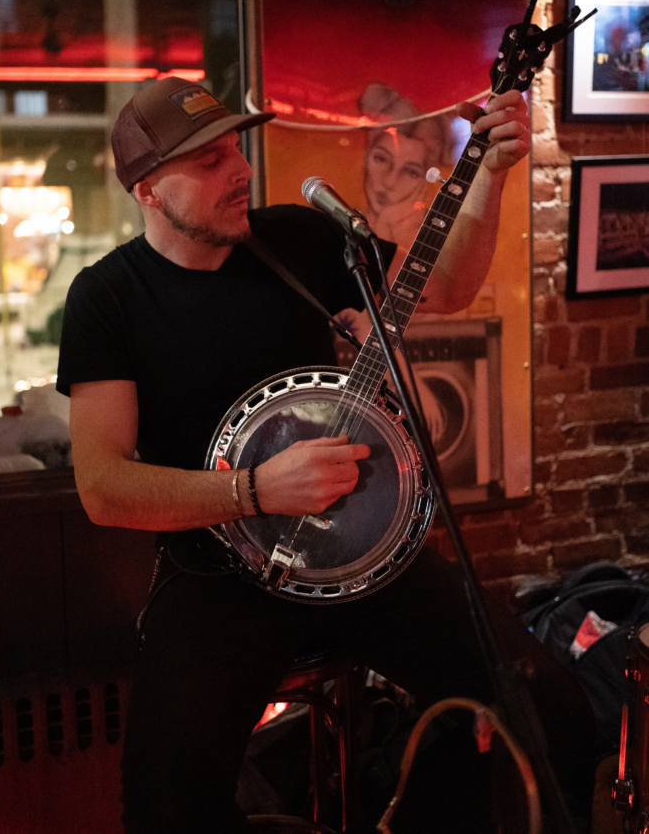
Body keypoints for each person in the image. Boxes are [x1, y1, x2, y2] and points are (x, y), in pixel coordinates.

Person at [57, 77, 593, 834]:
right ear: (147, 189)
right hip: (218, 577)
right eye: (209, 161)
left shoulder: (297, 239)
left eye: (235, 148)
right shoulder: (108, 298)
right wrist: (254, 490)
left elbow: (444, 286)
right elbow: (104, 487)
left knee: (550, 712)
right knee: (164, 808)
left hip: (362, 554)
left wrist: (492, 175)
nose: (240, 170)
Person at [359, 82, 455, 250]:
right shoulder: (333, 226)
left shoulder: (436, 242)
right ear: (366, 156)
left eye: (411, 172)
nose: (389, 182)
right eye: (381, 159)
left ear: (425, 181)